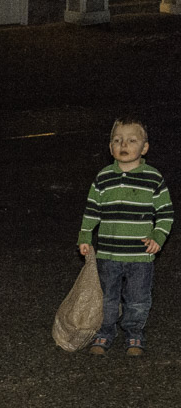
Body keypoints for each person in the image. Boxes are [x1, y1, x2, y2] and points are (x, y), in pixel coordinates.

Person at [78, 115, 173, 357]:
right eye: (117, 140)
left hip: (140, 255)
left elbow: (165, 213)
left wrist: (158, 236)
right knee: (107, 297)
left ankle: (134, 332)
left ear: (145, 148)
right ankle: (105, 331)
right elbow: (92, 211)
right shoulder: (103, 178)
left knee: (138, 298)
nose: (124, 145)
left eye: (132, 140)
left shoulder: (153, 178)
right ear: (110, 147)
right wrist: (85, 237)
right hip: (108, 254)